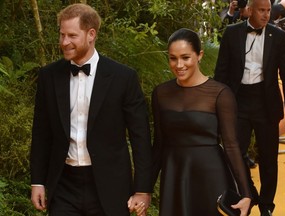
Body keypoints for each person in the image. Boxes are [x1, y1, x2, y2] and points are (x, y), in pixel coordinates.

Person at [30, 3, 152, 216]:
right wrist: (37, 182)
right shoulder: (48, 76)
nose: (64, 42)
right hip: (63, 185)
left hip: (110, 185)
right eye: (61, 35)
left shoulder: (123, 77)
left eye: (72, 35)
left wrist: (142, 189)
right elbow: (41, 132)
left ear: (91, 34)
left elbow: (140, 136)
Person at [151, 28, 251, 216]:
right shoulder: (161, 93)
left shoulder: (220, 93)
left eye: (185, 57)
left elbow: (231, 145)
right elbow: (158, 145)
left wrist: (246, 194)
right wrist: (144, 190)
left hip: (211, 176)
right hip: (175, 176)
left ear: (199, 55)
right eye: (173, 58)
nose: (179, 64)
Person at [214, 0, 285, 215]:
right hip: (238, 101)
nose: (266, 15)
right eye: (261, 10)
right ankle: (248, 193)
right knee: (234, 153)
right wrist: (217, 103)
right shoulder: (232, 33)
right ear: (250, 11)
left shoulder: (280, 37)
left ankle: (266, 205)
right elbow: (222, 71)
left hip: (266, 102)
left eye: (267, 11)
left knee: (268, 158)